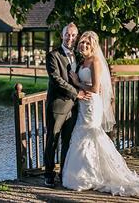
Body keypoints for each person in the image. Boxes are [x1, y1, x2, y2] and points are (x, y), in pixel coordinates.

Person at [62, 31, 139, 199]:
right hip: (83, 104)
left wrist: (77, 83)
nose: (83, 45)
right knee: (81, 136)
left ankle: (89, 175)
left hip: (91, 104)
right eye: (82, 43)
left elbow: (96, 89)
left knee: (90, 136)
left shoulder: (96, 62)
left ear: (93, 46)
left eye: (87, 44)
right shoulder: (83, 61)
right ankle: (86, 174)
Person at [44, 22, 91, 187]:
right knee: (52, 140)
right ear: (61, 35)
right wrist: (76, 93)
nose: (70, 38)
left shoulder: (78, 56)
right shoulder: (53, 55)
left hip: (74, 107)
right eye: (67, 34)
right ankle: (49, 174)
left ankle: (64, 173)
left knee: (68, 142)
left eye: (73, 35)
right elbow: (56, 80)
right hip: (57, 106)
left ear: (76, 36)